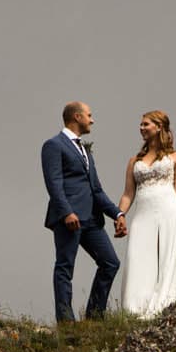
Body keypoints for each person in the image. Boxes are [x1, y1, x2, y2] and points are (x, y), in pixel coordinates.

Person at [41, 100, 126, 323]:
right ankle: (66, 322)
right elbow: (54, 183)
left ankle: (94, 317)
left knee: (110, 262)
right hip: (69, 218)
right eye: (89, 115)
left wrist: (117, 214)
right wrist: (67, 212)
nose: (92, 120)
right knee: (65, 266)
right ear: (77, 117)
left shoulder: (85, 150)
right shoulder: (53, 145)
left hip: (91, 219)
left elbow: (96, 189)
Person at [117, 110, 176, 319]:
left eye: (146, 124)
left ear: (159, 127)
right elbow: (128, 193)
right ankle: (135, 308)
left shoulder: (175, 157)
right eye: (141, 125)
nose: (141, 128)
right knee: (137, 257)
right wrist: (120, 214)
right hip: (143, 213)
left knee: (166, 257)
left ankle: (163, 305)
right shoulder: (134, 161)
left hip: (169, 210)